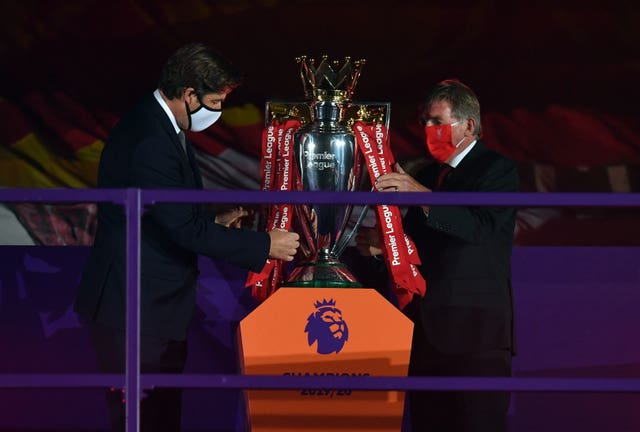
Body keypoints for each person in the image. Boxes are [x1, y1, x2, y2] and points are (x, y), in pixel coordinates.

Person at [74, 42, 299, 432]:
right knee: (141, 420)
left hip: (153, 306)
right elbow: (181, 228)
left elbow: (167, 212)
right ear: (189, 94)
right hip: (133, 308)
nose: (218, 113)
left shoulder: (160, 124)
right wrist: (266, 245)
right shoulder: (149, 140)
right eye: (214, 101)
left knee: (161, 414)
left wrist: (217, 220)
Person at [356, 79, 519, 432]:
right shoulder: (428, 174)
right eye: (424, 123)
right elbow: (414, 245)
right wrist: (381, 250)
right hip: (425, 332)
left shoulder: (496, 169)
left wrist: (421, 194)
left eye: (437, 122)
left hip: (476, 334)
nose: (428, 130)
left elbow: (481, 230)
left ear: (469, 125)